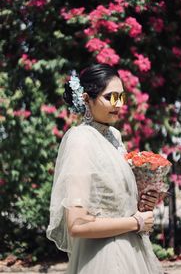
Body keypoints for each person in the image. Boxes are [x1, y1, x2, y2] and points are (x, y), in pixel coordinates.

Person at [46, 63, 163, 274]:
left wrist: (142, 203)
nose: (117, 104)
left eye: (121, 97)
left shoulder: (114, 137)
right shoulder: (81, 139)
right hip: (104, 258)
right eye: (110, 97)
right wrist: (135, 222)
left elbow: (114, 203)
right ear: (86, 99)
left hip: (131, 251)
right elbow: (77, 224)